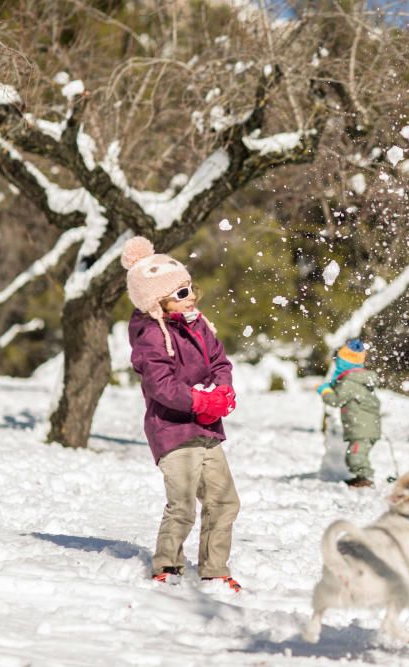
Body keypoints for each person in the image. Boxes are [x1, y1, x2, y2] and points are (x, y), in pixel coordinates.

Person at [122, 236, 242, 592]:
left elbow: (220, 361)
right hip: (172, 431)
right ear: (155, 300)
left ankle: (214, 569)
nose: (189, 296)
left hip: (207, 428)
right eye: (179, 293)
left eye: (190, 288)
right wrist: (197, 401)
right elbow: (161, 385)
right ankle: (168, 565)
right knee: (183, 503)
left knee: (224, 501)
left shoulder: (198, 325)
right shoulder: (150, 336)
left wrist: (222, 391)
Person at [317, 339, 381, 488]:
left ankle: (366, 479)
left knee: (356, 456)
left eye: (339, 361)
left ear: (344, 363)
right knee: (356, 455)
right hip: (364, 426)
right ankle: (362, 477)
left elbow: (335, 400)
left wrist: (325, 391)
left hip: (362, 428)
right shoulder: (356, 380)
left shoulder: (350, 382)